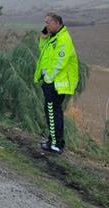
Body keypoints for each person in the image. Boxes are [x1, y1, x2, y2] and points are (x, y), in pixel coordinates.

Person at [34, 13, 79, 154]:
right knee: (53, 112)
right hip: (52, 82)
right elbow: (44, 53)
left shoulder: (63, 39)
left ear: (57, 23)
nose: (45, 25)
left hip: (57, 83)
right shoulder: (54, 37)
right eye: (45, 22)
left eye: (48, 22)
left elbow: (59, 63)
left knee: (52, 112)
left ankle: (55, 144)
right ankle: (55, 141)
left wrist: (48, 78)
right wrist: (43, 38)